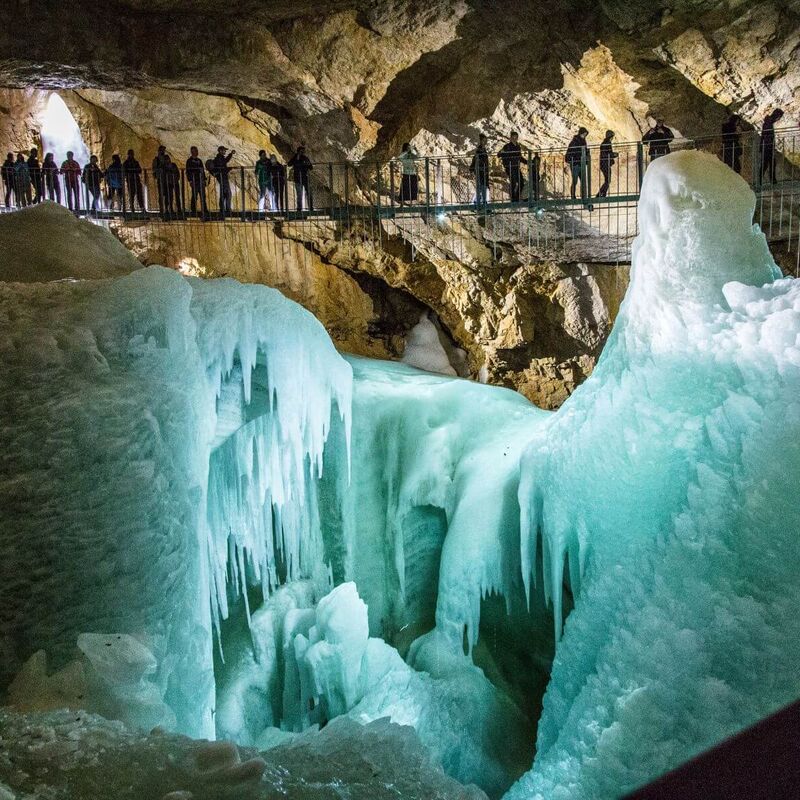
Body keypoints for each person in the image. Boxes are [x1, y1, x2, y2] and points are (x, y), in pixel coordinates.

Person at [498, 131, 527, 202]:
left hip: (516, 167)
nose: (514, 139)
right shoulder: (507, 146)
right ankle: (513, 199)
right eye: (513, 138)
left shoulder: (518, 146)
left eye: (516, 138)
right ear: (510, 138)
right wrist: (507, 157)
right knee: (513, 182)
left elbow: (520, 157)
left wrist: (527, 162)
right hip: (509, 167)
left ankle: (516, 198)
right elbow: (499, 154)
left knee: (521, 182)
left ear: (517, 138)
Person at [760, 108, 784, 184]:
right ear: (777, 116)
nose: (779, 119)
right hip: (767, 146)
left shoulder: (768, 122)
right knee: (768, 163)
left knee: (769, 163)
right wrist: (770, 145)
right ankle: (770, 180)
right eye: (779, 117)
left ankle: (770, 180)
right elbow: (766, 136)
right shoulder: (769, 123)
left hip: (766, 146)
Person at [565, 127, 589, 200]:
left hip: (581, 163)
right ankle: (573, 196)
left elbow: (585, 151)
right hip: (575, 164)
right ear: (580, 133)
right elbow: (570, 152)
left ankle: (583, 196)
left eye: (585, 134)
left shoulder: (583, 141)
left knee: (583, 181)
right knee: (575, 180)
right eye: (583, 134)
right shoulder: (574, 142)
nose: (584, 136)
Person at [211, 145, 235, 218]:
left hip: (222, 177)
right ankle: (226, 209)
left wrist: (231, 154)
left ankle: (224, 209)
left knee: (224, 193)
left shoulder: (220, 158)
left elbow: (225, 162)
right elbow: (223, 167)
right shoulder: (219, 159)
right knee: (227, 193)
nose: (225, 151)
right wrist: (229, 168)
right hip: (222, 177)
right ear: (220, 151)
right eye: (224, 150)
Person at [288, 145, 313, 212]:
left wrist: (307, 164)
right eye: (301, 151)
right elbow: (289, 164)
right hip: (298, 178)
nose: (302, 153)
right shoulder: (295, 158)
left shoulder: (305, 158)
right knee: (299, 194)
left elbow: (311, 167)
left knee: (308, 193)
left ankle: (310, 207)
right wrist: (296, 159)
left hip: (305, 177)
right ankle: (299, 208)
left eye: (303, 152)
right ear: (298, 151)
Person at [185, 146, 207, 218]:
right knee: (194, 195)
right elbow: (188, 171)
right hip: (194, 180)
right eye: (195, 151)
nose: (196, 152)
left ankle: (204, 209)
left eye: (196, 150)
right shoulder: (189, 161)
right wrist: (190, 180)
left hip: (200, 180)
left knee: (202, 195)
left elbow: (202, 170)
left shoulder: (199, 160)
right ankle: (193, 209)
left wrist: (204, 179)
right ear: (192, 152)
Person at [470, 133, 490, 207]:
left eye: (486, 140)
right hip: (480, 170)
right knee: (481, 186)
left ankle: (478, 201)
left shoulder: (483, 149)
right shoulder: (479, 150)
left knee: (482, 186)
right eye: (484, 140)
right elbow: (476, 159)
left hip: (483, 170)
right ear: (481, 141)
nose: (485, 142)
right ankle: (479, 201)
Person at [597, 130, 618, 197]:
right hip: (605, 163)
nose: (612, 138)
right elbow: (606, 154)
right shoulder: (607, 143)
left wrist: (612, 155)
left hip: (604, 163)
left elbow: (605, 153)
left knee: (607, 180)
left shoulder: (605, 143)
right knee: (608, 180)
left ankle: (602, 193)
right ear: (610, 136)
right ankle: (600, 194)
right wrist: (613, 155)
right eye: (612, 136)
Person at [151, 145, 169, 214]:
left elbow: (169, 165)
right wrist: (160, 169)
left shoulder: (166, 158)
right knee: (161, 194)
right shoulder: (156, 160)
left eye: (163, 150)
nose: (163, 152)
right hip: (161, 178)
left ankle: (167, 208)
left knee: (167, 194)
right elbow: (154, 169)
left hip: (167, 178)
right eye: (162, 150)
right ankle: (162, 209)